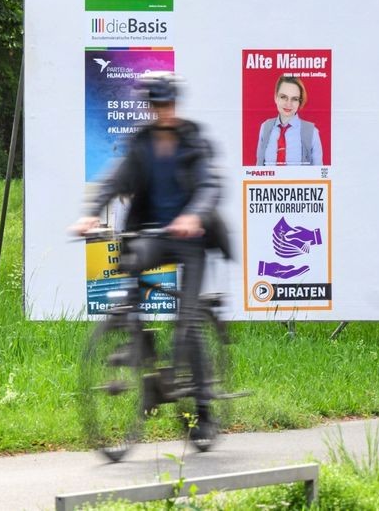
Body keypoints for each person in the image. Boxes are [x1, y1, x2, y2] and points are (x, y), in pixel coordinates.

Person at [69, 72, 229, 447]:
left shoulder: (193, 141)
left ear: (175, 103)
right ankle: (139, 344)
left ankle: (203, 409)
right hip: (154, 235)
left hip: (192, 239)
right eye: (156, 105)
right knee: (130, 265)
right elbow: (115, 181)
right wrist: (90, 213)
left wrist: (194, 216)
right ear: (149, 107)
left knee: (187, 322)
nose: (162, 111)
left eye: (167, 104)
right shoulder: (141, 143)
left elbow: (209, 186)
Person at [254, 74, 323, 166]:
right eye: (283, 97)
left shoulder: (312, 132)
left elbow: (318, 172)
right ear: (276, 97)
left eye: (294, 99)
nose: (288, 104)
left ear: (299, 102)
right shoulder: (265, 127)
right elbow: (259, 167)